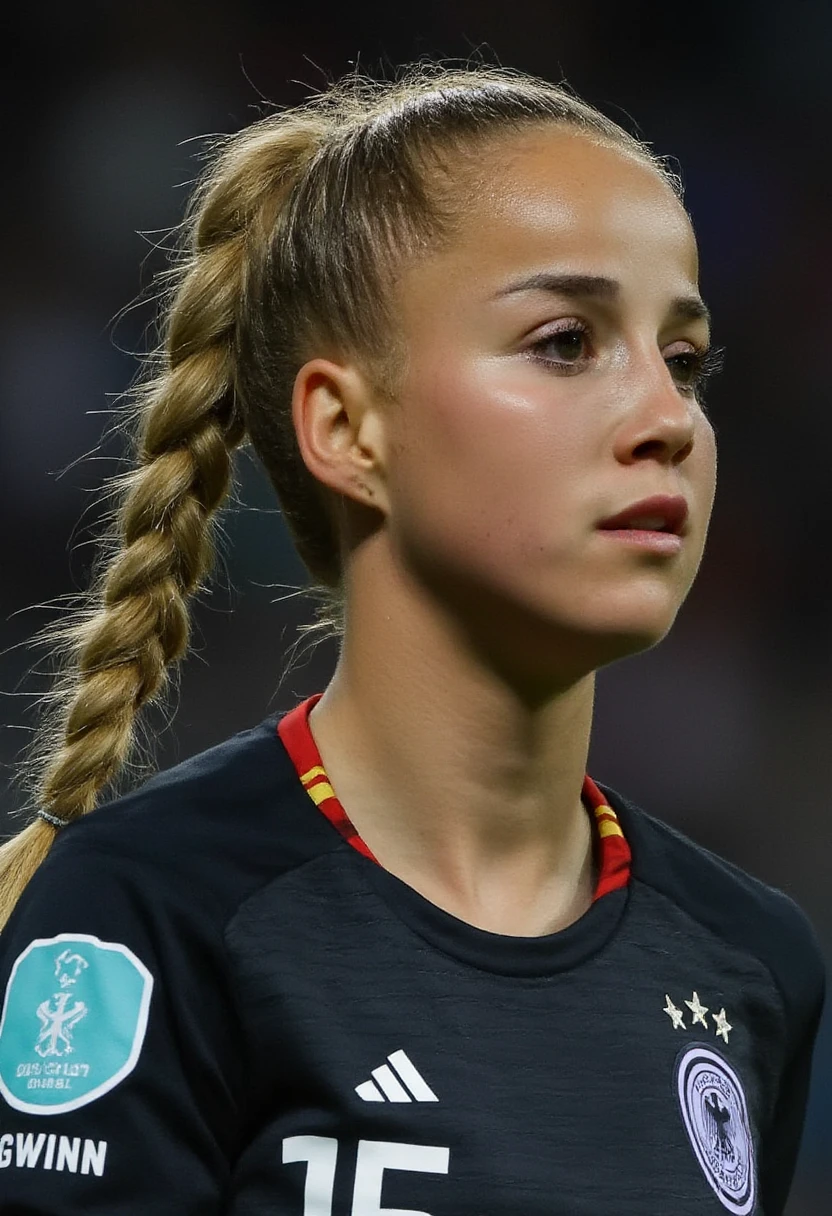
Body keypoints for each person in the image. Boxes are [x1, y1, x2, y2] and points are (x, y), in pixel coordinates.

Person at [0, 62, 824, 1216]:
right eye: (563, 341)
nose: (666, 420)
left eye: (683, 361)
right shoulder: (144, 915)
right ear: (346, 427)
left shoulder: (752, 958)